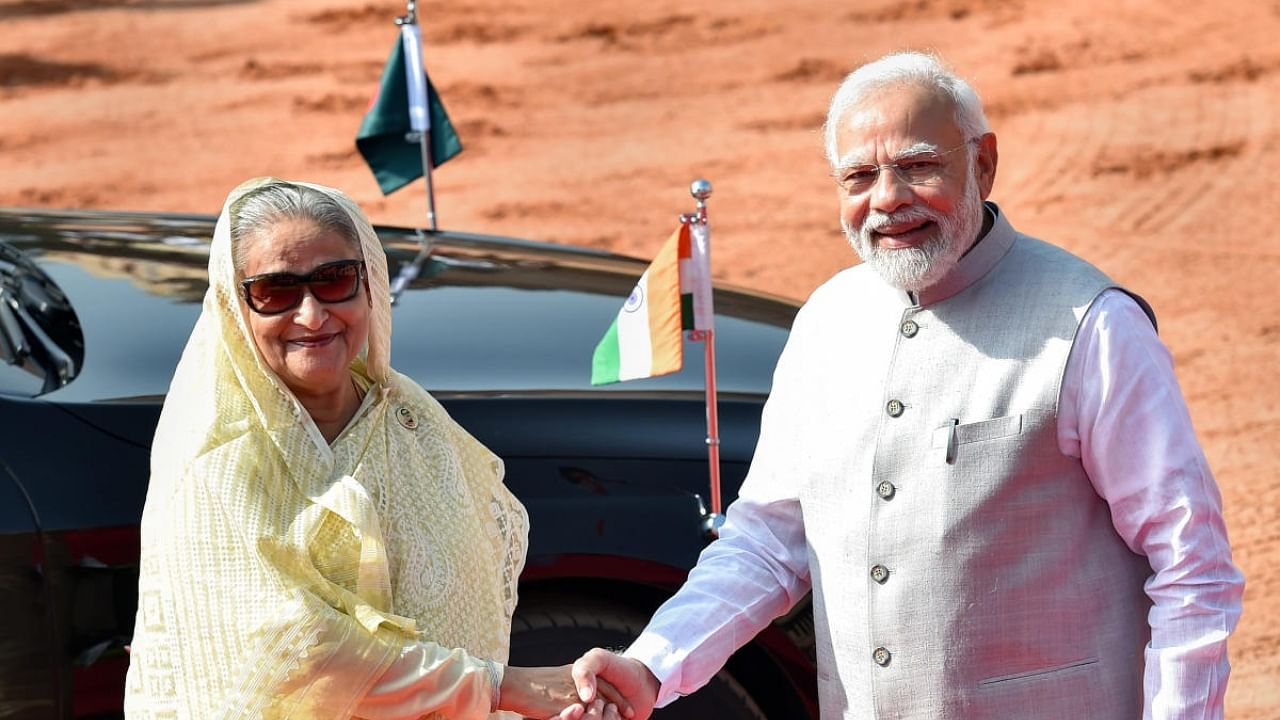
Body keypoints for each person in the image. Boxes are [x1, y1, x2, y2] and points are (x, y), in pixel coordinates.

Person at [570, 51, 1245, 719]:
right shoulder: (826, 323)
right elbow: (768, 543)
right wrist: (652, 664)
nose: (887, 199)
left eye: (918, 167)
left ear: (982, 163)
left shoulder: (1093, 327)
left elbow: (1192, 569)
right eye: (859, 176)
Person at [123, 178, 616, 719]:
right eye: (275, 291)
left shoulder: (407, 413)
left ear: (369, 284)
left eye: (334, 280)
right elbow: (296, 651)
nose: (312, 316)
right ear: (235, 308)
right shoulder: (216, 461)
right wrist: (501, 688)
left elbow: (471, 577)